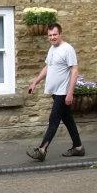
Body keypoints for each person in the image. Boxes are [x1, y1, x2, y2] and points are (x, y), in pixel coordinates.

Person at [26, 22, 85, 161]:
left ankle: (42, 150)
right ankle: (78, 147)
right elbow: (47, 67)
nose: (52, 37)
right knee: (68, 120)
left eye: (55, 35)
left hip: (63, 92)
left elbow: (74, 70)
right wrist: (35, 82)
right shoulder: (52, 49)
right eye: (50, 35)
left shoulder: (67, 49)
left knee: (54, 120)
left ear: (60, 34)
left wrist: (70, 92)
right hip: (56, 92)